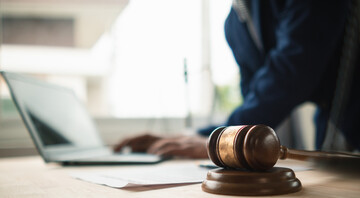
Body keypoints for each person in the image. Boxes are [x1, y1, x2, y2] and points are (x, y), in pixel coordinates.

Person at [114, 0, 360, 158]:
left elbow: (291, 73)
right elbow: (254, 103)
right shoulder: (235, 25)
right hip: (332, 120)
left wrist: (216, 140)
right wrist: (197, 136)